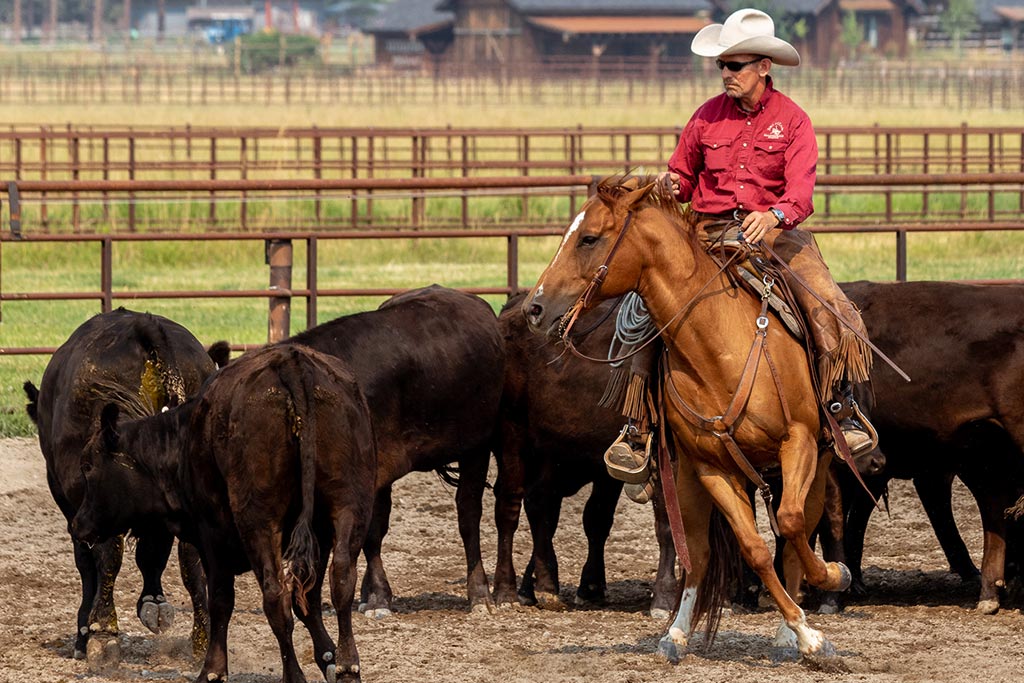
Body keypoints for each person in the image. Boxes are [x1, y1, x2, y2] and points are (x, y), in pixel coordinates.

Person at [605, 8, 877, 502]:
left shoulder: (792, 121)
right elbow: (683, 179)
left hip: (774, 236)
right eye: (722, 66)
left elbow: (801, 191)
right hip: (705, 233)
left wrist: (774, 216)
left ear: (764, 67)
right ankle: (638, 429)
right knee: (644, 311)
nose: (727, 74)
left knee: (827, 305)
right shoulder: (705, 117)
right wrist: (672, 184)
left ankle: (840, 407)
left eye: (736, 65)